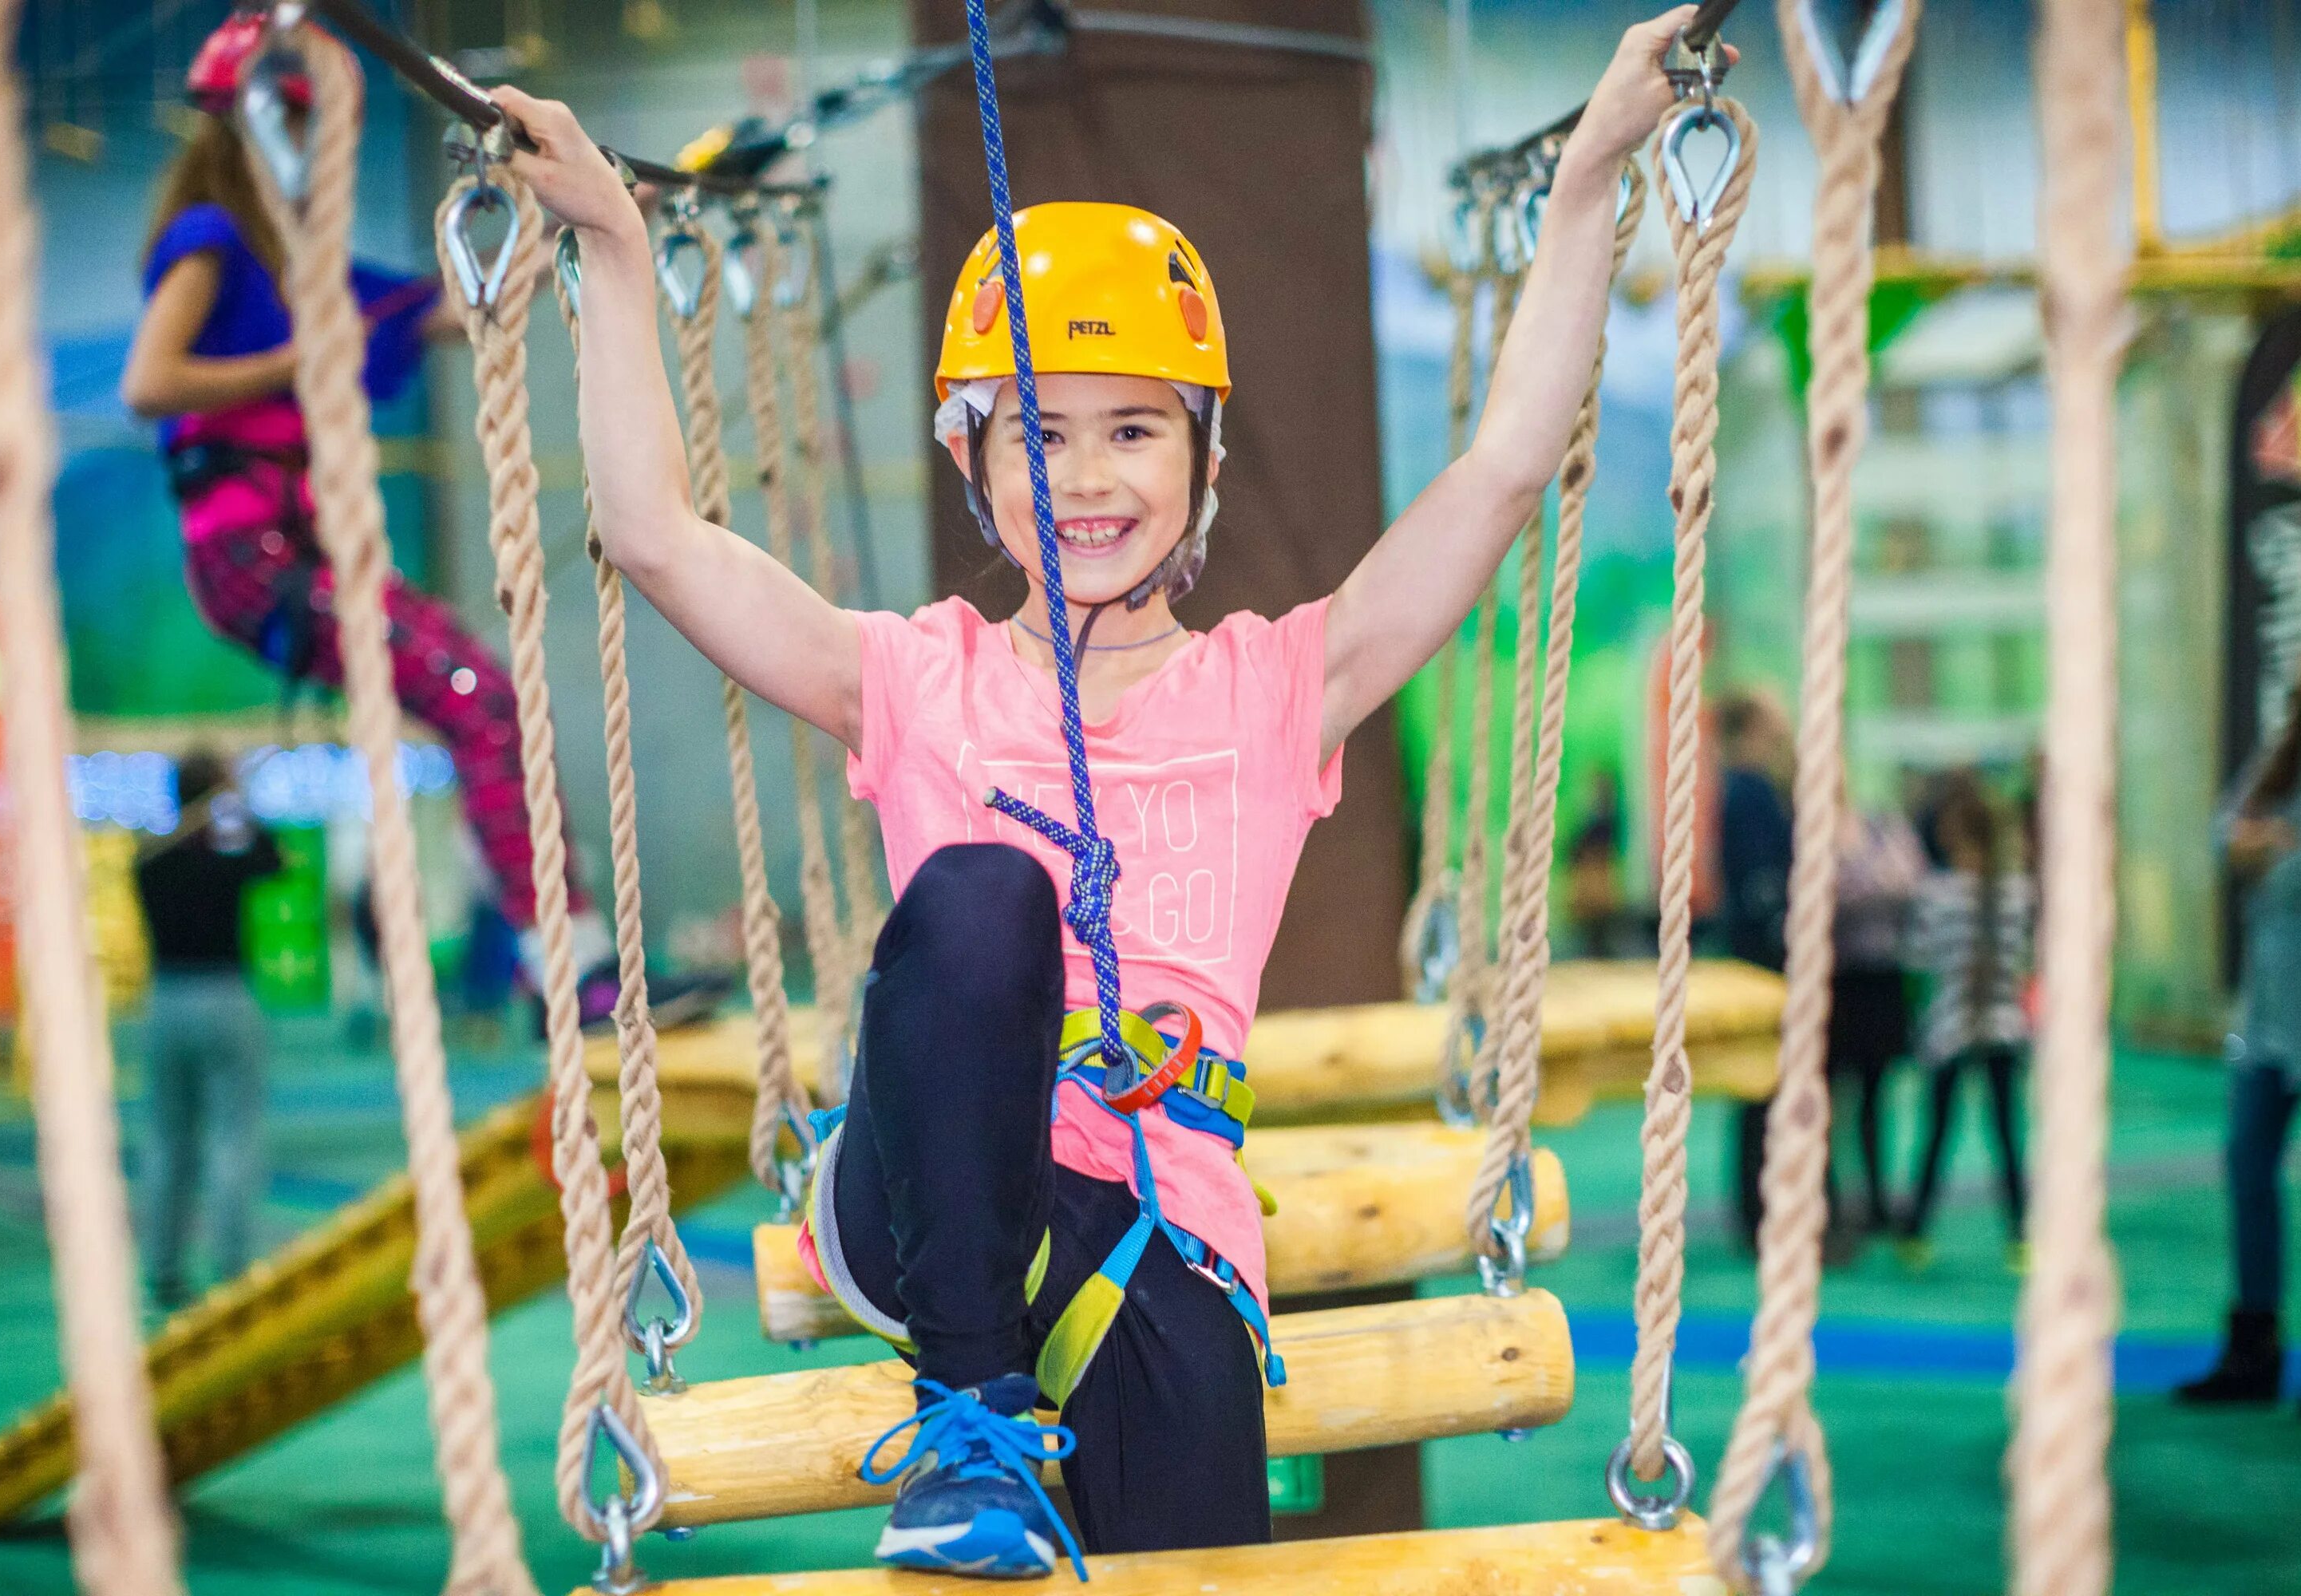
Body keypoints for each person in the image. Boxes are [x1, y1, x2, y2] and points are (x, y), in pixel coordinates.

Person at [493, 9, 1706, 1575]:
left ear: (1202, 463)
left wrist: (1597, 167)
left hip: (1165, 1238)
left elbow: (1497, 474)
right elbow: (658, 535)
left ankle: (1022, 1435)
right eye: (1039, 438)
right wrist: (604, 245)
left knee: (1178, 1546)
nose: (1084, 479)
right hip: (937, 1205)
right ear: (976, 465)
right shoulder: (911, 674)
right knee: (993, 894)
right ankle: (970, 1410)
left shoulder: (1281, 684)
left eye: (1134, 431)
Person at [122, 14, 623, 1022]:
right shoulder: (214, 241)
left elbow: (461, 308)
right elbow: (150, 380)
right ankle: (564, 963)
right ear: (250, 126)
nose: (316, 153)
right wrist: (296, 362)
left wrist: (603, 217)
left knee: (487, 703)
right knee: (477, 696)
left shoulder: (312, 272)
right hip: (250, 551)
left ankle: (568, 956)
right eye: (300, 125)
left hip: (289, 552)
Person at [2178, 681, 2301, 1404]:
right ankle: (2253, 1349)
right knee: (2247, 1171)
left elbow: (2260, 854)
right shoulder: (2278, 765)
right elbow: (2224, 834)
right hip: (2267, 1021)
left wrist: (2274, 848)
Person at [133, 752, 283, 1312]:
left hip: (166, 1002)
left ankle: (165, 1270)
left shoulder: (150, 859)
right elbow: (272, 860)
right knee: (232, 1138)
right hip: (224, 998)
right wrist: (238, 805)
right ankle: (233, 1268)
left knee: (168, 1142)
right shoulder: (222, 858)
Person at [1896, 774, 2034, 1270]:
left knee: (1935, 1133)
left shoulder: (1937, 895)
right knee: (2006, 1134)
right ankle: (2021, 1235)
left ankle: (1915, 1234)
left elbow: (1917, 959)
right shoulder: (2018, 894)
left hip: (1948, 1027)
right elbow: (2023, 963)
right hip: (2005, 1027)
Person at [1830, 782, 1926, 1234]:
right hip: (1839, 982)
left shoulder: (1880, 826)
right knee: (1831, 1097)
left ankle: (1875, 1195)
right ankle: (1832, 1198)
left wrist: (1861, 889)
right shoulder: (1818, 831)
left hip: (1882, 980)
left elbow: (1911, 881)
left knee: (1875, 1093)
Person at [1717, 688, 1793, 1251]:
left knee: (1760, 1088)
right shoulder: (1748, 793)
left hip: (1757, 949)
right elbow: (1763, 879)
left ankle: (1757, 1207)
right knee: (1763, 1086)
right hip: (1765, 955)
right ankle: (1757, 1209)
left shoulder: (1742, 791)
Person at [1567, 768, 1629, 958]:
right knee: (1593, 922)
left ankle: (1598, 952)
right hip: (1595, 871)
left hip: (1598, 871)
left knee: (1597, 919)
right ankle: (1596, 951)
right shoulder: (1602, 816)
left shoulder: (1607, 817)